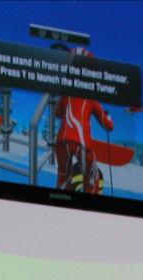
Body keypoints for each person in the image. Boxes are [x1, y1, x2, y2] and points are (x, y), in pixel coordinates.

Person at [50, 45, 115, 194]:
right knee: (92, 178)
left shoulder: (66, 94)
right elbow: (108, 125)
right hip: (83, 145)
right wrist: (108, 117)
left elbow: (57, 113)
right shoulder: (90, 98)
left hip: (62, 142)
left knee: (63, 176)